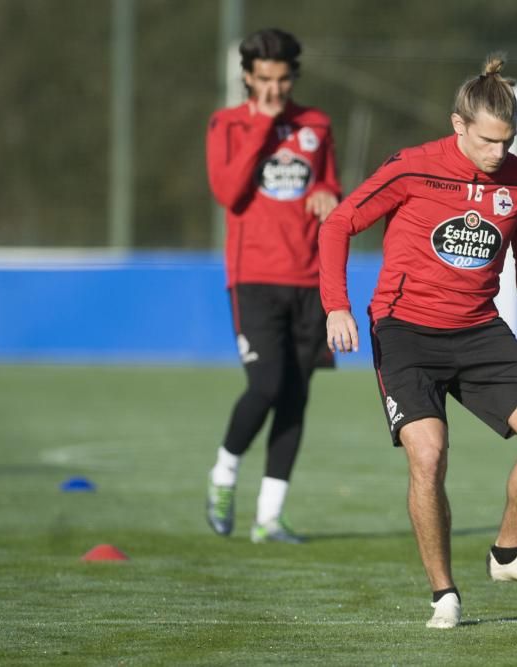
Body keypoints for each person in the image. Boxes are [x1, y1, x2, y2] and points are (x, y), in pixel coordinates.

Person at [319, 54, 517, 628]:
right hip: (405, 331)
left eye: (507, 141)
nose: (498, 153)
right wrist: (336, 304)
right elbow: (338, 224)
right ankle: (444, 594)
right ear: (458, 126)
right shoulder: (411, 169)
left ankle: (508, 555)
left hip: (479, 329)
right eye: (487, 141)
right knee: (428, 456)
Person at [204, 28, 341, 543]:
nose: (275, 89)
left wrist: (329, 193)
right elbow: (228, 191)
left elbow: (329, 182)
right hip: (254, 279)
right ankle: (223, 474)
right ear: (246, 76)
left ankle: (269, 516)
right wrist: (262, 126)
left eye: (283, 79)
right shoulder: (227, 124)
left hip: (309, 280)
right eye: (264, 79)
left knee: (295, 397)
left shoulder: (316, 124)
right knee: (264, 385)